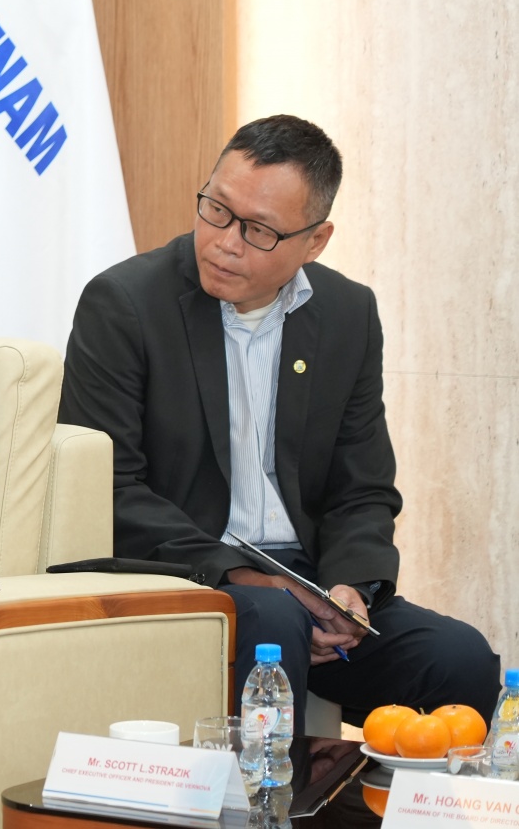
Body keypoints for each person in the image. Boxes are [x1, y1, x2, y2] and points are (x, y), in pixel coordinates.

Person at [58, 114, 498, 733]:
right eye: (217, 209)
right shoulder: (125, 304)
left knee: (460, 659)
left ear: (315, 241)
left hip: (305, 580)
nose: (225, 242)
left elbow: (362, 488)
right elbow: (108, 487)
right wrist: (243, 575)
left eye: (259, 230)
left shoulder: (347, 314)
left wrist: (350, 590)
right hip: (186, 571)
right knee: (274, 617)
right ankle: (272, 793)